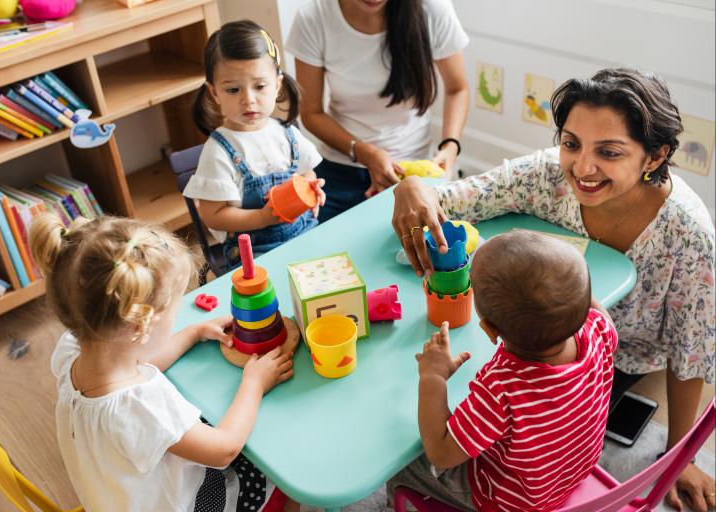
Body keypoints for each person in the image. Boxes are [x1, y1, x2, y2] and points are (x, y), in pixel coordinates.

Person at [391, 67, 716, 511]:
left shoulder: (689, 235)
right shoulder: (547, 177)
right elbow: (453, 198)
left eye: (609, 152)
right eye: (570, 143)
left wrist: (682, 456)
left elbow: (691, 353)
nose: (582, 168)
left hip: (614, 362)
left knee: (407, 437)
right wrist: (412, 186)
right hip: (569, 352)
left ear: (654, 157)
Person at [29, 214, 296, 512]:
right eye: (173, 313)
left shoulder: (72, 350)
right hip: (174, 504)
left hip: (113, 497)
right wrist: (253, 384)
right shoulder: (141, 405)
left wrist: (193, 332)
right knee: (277, 470)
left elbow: (139, 359)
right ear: (141, 327)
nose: (177, 319)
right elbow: (224, 449)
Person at [387, 231, 619, 511]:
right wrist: (568, 291)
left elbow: (441, 453)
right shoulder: (599, 328)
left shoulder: (502, 387)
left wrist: (433, 377)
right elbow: (592, 308)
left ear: (489, 329)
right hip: (570, 474)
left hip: (512, 503)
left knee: (401, 461)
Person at [286, 0, 471, 221]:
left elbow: (457, 89)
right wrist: (366, 153)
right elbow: (311, 113)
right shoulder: (314, 18)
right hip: (341, 167)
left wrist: (450, 146)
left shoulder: (432, 9)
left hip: (411, 170)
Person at [186, 20, 325, 268]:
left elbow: (305, 172)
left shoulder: (286, 134)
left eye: (260, 86)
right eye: (233, 90)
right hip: (254, 252)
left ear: (277, 85)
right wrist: (262, 217)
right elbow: (213, 215)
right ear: (214, 93)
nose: (248, 100)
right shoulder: (218, 151)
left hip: (305, 232)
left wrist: (311, 188)